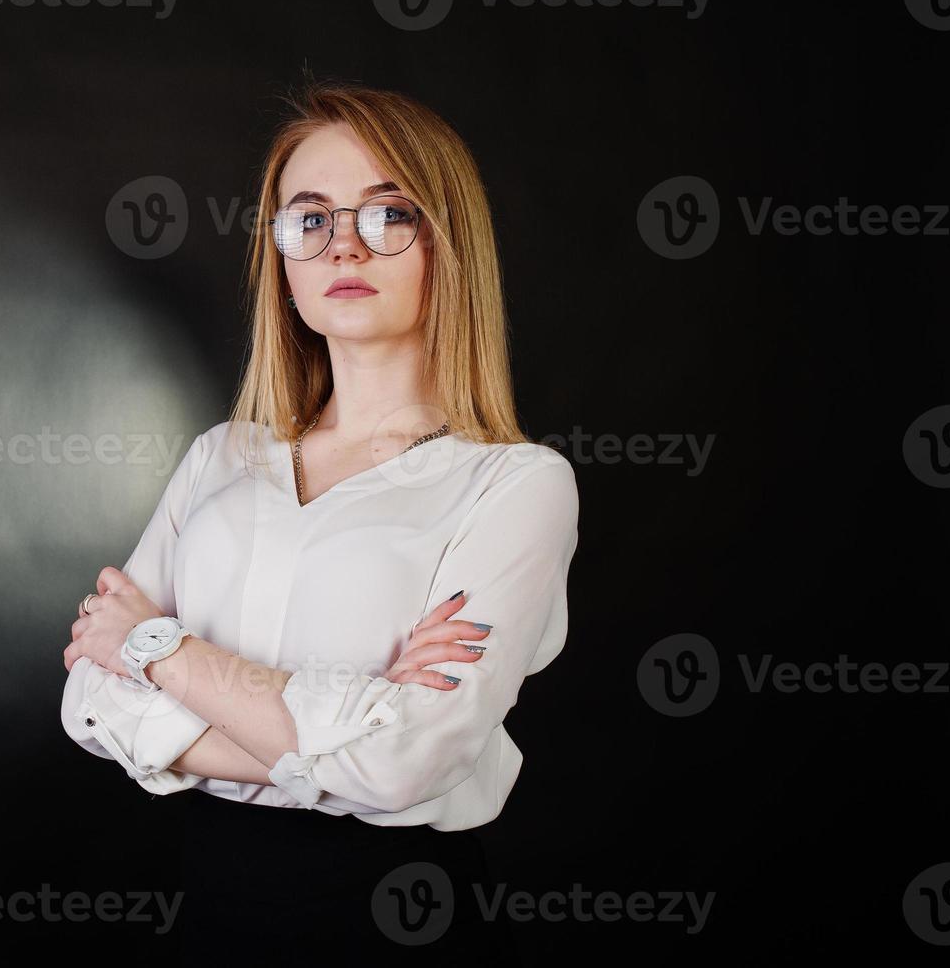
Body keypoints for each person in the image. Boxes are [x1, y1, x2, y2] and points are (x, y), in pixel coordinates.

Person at [59, 77, 578, 962]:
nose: (344, 247)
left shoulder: (515, 484)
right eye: (310, 219)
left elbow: (413, 763)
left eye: (387, 215)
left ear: (444, 244)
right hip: (216, 897)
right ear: (283, 259)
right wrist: (355, 738)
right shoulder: (220, 458)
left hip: (398, 909)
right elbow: (88, 704)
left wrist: (161, 651)